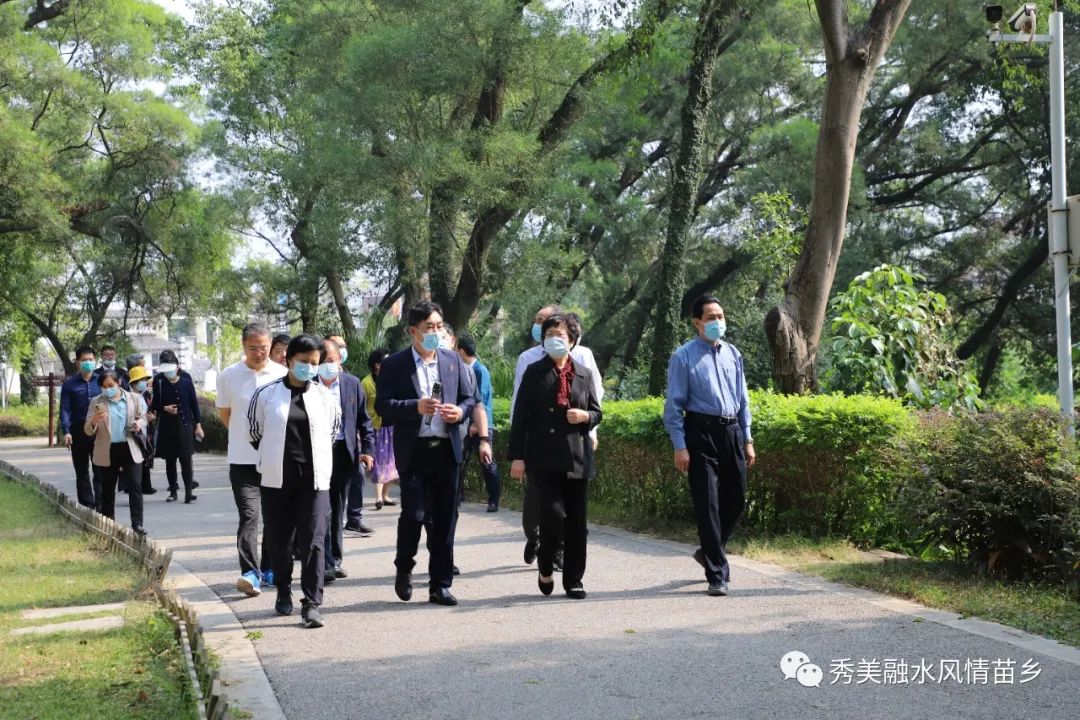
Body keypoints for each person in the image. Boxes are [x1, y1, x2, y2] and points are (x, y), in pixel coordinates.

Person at [375, 301, 477, 607]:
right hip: (414, 451)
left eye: (439, 327)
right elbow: (383, 406)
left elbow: (469, 398)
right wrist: (414, 406)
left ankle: (440, 584)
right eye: (428, 327)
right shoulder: (395, 364)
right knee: (415, 514)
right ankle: (404, 567)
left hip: (446, 449)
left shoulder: (452, 360)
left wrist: (460, 412)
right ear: (413, 331)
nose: (435, 332)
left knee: (445, 519)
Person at [663, 295, 756, 597]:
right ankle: (717, 574)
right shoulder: (683, 357)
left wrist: (747, 438)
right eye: (711, 317)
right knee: (707, 503)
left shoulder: (733, 354)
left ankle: (708, 551)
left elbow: (743, 400)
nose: (717, 322)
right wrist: (680, 446)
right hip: (700, 433)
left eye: (720, 316)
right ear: (697, 323)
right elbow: (673, 406)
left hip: (731, 431)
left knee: (737, 499)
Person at [248, 334, 342, 629]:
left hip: (314, 482)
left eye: (314, 363)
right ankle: (283, 589)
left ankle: (312, 603)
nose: (309, 368)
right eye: (303, 362)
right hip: (277, 480)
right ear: (289, 360)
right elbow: (255, 432)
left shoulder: (325, 397)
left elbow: (332, 432)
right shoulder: (266, 394)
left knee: (313, 540)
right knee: (280, 540)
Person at [509, 314, 602, 599]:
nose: (553, 340)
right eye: (549, 335)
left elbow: (597, 411)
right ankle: (546, 565)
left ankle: (574, 579)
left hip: (577, 455)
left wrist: (585, 417)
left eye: (559, 335)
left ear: (572, 340)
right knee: (553, 516)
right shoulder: (534, 372)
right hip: (543, 456)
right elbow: (520, 416)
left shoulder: (583, 373)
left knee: (577, 521)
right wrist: (517, 456)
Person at [216, 323, 288, 598]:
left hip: (274, 458)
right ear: (243, 346)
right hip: (242, 459)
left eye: (264, 348)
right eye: (253, 348)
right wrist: (244, 436)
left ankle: (269, 566)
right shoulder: (229, 376)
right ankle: (250, 573)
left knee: (275, 517)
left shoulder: (282, 375)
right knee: (249, 516)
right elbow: (226, 416)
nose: (259, 353)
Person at [317, 338, 375, 582]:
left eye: (331, 360)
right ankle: (325, 562)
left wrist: (367, 449)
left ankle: (335, 559)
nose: (327, 365)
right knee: (322, 508)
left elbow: (364, 420)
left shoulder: (352, 384)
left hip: (343, 452)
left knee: (337, 507)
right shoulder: (309, 384)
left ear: (339, 359)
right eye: (322, 361)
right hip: (317, 452)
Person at [84, 370, 147, 535]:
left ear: (118, 383)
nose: (108, 389)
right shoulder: (96, 402)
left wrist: (139, 424)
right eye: (104, 387)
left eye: (111, 385)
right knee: (107, 488)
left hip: (130, 447)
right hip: (107, 449)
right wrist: (94, 421)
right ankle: (109, 523)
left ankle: (137, 524)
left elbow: (143, 417)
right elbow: (88, 430)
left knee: (135, 486)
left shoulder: (134, 398)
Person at [152, 350, 203, 504]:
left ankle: (188, 492)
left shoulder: (186, 380)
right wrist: (164, 408)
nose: (168, 372)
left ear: (177, 366)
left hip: (185, 424)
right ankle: (173, 491)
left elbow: (194, 404)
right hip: (167, 425)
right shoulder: (159, 381)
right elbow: (154, 404)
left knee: (186, 459)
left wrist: (198, 425)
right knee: (170, 460)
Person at [457, 335, 500, 512]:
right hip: (465, 424)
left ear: (461, 351)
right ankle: (457, 496)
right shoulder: (463, 369)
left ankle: (494, 499)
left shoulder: (479, 370)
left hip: (480, 425)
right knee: (460, 461)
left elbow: (481, 400)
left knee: (487, 461)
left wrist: (477, 424)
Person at [61, 346, 103, 508]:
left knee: (100, 468)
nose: (88, 363)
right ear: (77, 362)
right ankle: (87, 505)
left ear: (95, 361)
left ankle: (101, 504)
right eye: (84, 360)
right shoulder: (69, 384)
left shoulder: (101, 381)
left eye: (90, 360)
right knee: (81, 470)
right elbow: (65, 409)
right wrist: (66, 431)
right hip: (78, 430)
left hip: (99, 429)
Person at [361, 348, 398, 513]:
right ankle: (378, 497)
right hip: (375, 427)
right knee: (379, 462)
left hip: (391, 425)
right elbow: (361, 406)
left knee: (391, 461)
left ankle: (385, 495)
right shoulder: (366, 383)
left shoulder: (393, 379)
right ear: (377, 365)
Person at [128, 365, 158, 495]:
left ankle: (146, 486)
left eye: (145, 380)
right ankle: (134, 487)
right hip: (134, 433)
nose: (144, 383)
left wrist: (152, 418)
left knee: (146, 458)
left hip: (146, 432)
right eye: (141, 380)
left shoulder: (146, 396)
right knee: (136, 460)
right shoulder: (128, 397)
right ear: (134, 382)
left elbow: (152, 411)